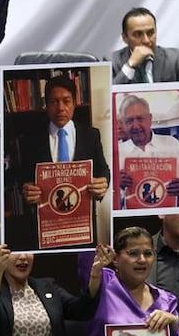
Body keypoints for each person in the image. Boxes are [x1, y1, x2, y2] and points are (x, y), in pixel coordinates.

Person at [15, 75, 110, 249]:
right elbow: (23, 176)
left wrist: (103, 184)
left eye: (66, 101)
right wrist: (26, 189)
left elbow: (103, 170)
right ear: (46, 105)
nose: (60, 108)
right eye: (53, 102)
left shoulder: (90, 135)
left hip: (82, 229)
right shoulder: (30, 140)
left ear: (74, 102)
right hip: (45, 231)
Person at [117, 94, 179, 200]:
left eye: (140, 119)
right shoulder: (118, 152)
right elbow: (114, 198)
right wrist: (118, 185)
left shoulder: (172, 144)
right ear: (124, 124)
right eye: (129, 121)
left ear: (150, 119)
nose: (135, 126)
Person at [109, 8, 179, 88]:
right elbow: (106, 102)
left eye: (150, 33)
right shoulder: (112, 61)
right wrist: (130, 66)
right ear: (125, 38)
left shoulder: (175, 58)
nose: (146, 40)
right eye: (138, 34)